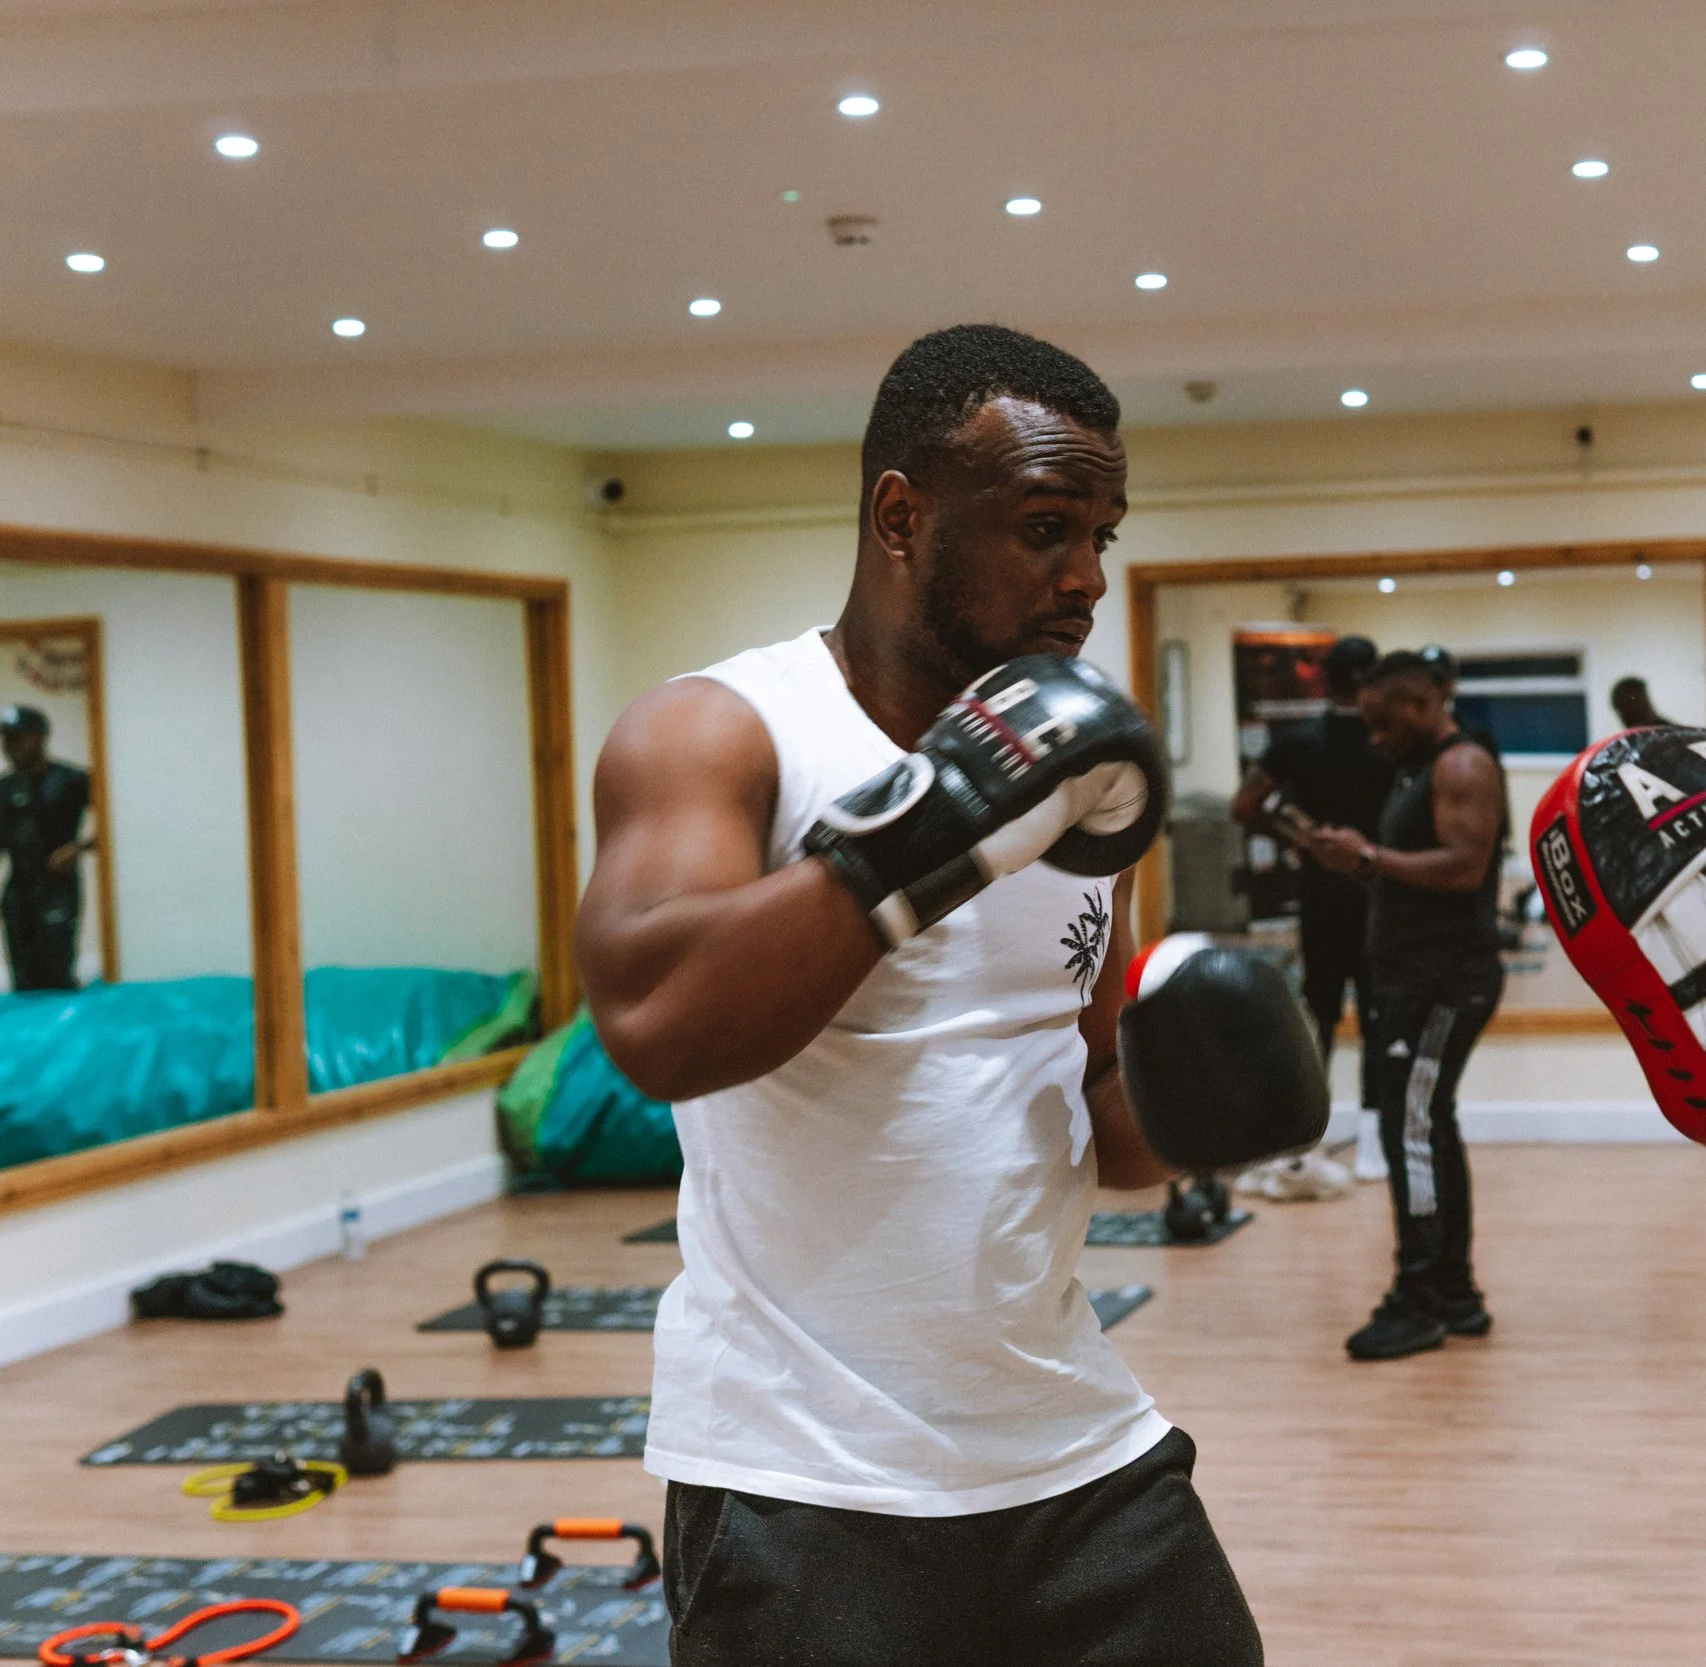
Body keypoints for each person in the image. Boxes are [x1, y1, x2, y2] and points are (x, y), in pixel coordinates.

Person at [575, 324, 1261, 1665]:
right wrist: (937, 823)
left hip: (1073, 1442)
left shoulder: (1077, 766)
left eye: (1103, 535)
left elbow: (1102, 1111)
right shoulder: (723, 728)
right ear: (903, 513)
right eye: (1047, 527)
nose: (1085, 578)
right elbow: (653, 1024)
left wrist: (1210, 1095)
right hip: (805, 1474)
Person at [1307, 651, 1509, 1360]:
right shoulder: (1422, 770)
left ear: (1421, 706)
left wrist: (1367, 857)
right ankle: (1456, 1294)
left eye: (1383, 721)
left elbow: (1464, 866)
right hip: (1419, 976)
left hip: (1444, 980)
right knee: (1424, 1125)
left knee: (1413, 1129)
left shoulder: (1461, 766)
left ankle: (1418, 1298)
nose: (1374, 736)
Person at [1232, 633, 1390, 1069]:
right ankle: (1375, 1125)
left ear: (1324, 677)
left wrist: (1301, 842)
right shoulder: (1390, 742)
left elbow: (1244, 806)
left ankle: (1315, 1117)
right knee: (1380, 1013)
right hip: (1379, 885)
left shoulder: (1299, 739)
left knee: (1321, 1011)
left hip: (1323, 887)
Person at [0, 705, 95, 992]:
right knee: (23, 982)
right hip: (17, 894)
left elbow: (119, 827)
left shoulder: (73, 780)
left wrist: (78, 847)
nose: (9, 747)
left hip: (58, 889)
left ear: (40, 738)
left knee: (56, 976)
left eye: (17, 738)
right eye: (5, 740)